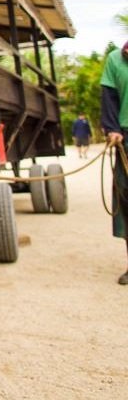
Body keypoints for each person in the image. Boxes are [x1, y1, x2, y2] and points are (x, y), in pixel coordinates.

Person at [100, 41, 128, 285]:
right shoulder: (115, 59)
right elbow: (109, 97)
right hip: (125, 138)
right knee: (125, 198)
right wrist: (112, 128)